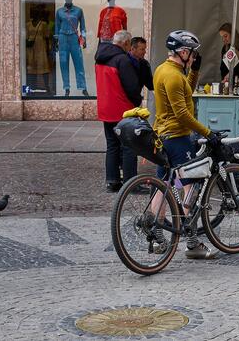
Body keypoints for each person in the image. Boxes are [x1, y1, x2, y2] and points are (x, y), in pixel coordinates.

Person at [152, 29, 221, 259]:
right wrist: (207, 132)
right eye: (191, 54)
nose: (193, 57)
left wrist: (195, 70)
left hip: (163, 136)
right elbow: (182, 113)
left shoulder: (165, 70)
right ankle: (192, 243)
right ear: (182, 51)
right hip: (178, 138)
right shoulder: (172, 75)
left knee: (162, 186)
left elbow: (186, 92)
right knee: (192, 187)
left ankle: (156, 237)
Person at [94, 30, 141, 193]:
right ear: (126, 43)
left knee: (112, 145)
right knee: (129, 146)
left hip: (106, 109)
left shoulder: (100, 58)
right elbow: (132, 87)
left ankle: (112, 181)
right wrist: (138, 102)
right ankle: (130, 183)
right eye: (129, 45)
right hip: (122, 109)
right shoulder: (122, 60)